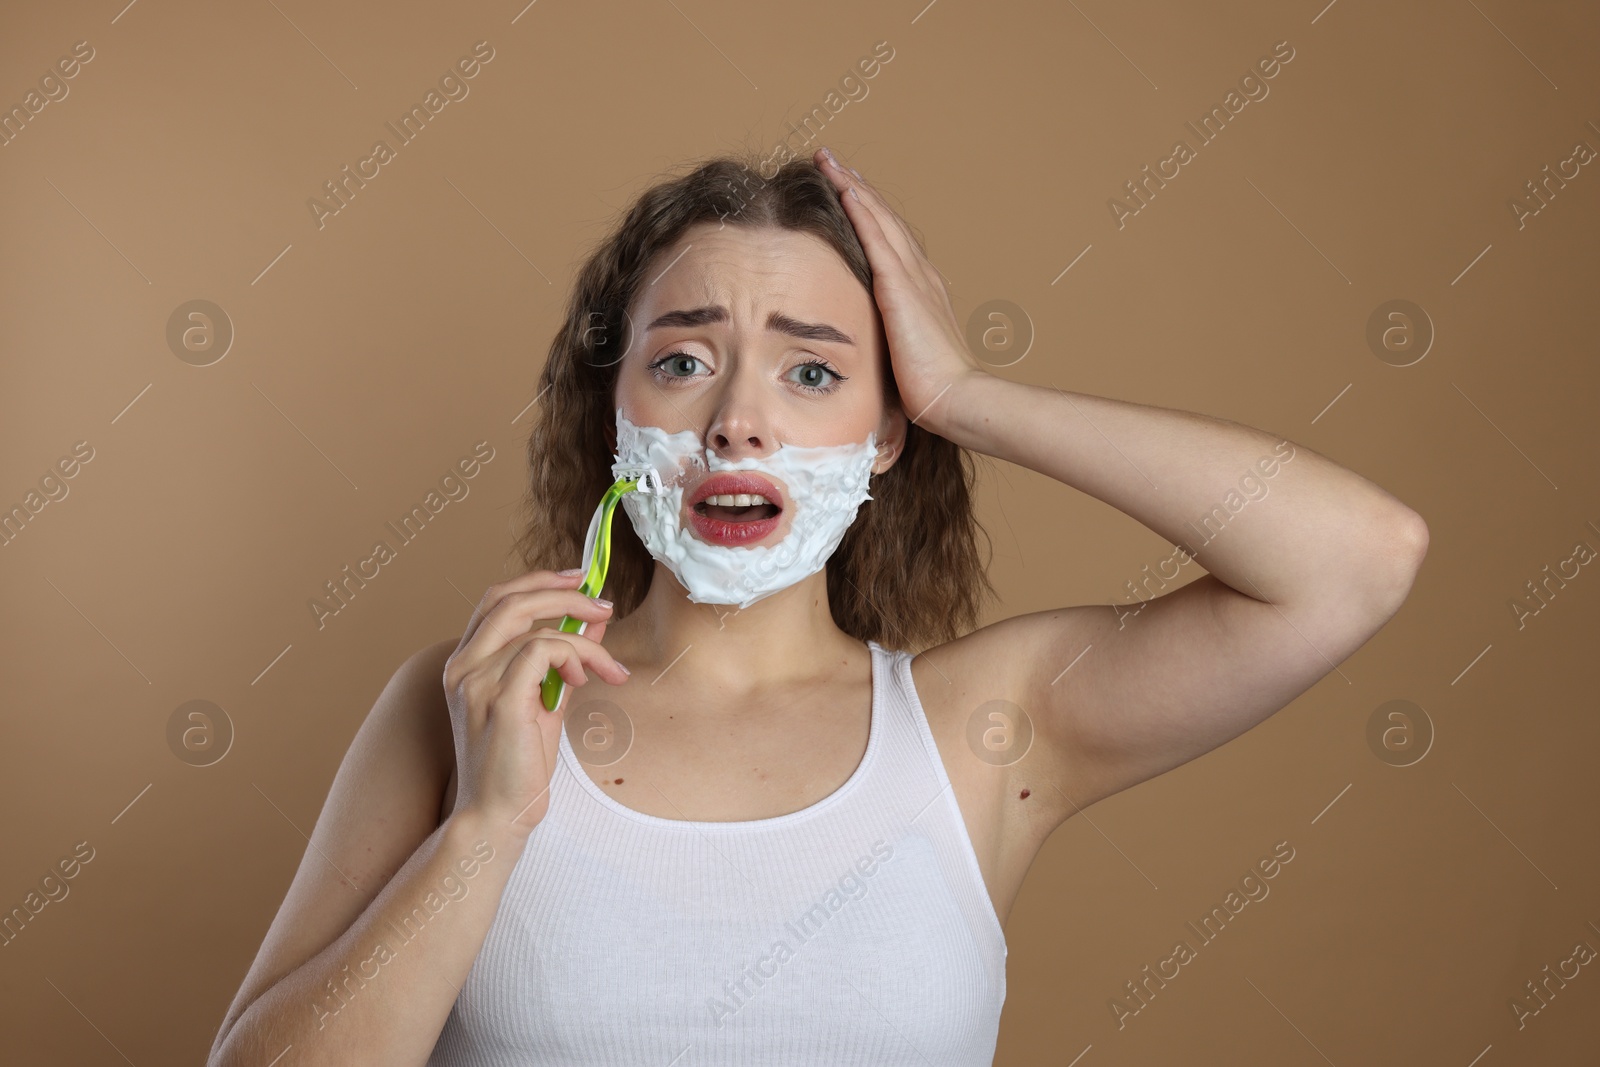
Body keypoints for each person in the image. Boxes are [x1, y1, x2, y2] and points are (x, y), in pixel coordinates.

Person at [206, 146, 1428, 1067]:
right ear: (613, 414)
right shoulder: (468, 707)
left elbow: (1357, 556)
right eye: (683, 360)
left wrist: (965, 391)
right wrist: (482, 830)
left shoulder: (984, 726)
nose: (739, 417)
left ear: (886, 433)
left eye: (813, 371)